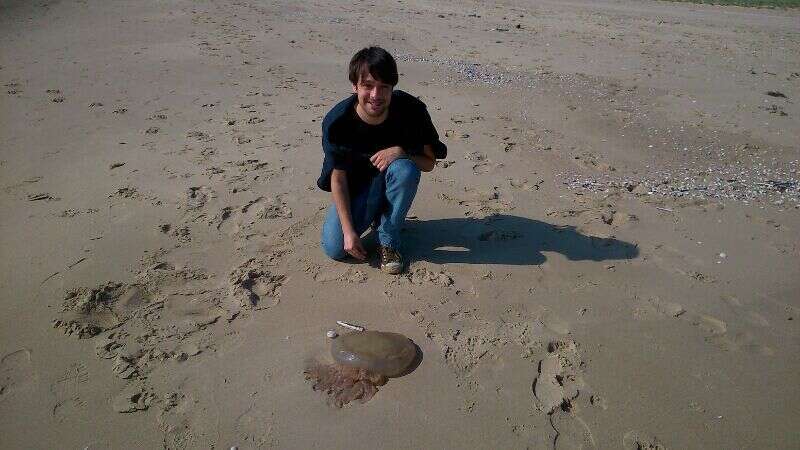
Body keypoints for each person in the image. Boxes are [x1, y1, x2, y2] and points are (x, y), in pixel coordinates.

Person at [317, 46, 447, 274]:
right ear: (354, 86)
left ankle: (388, 241)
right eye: (368, 85)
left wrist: (402, 152)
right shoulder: (338, 123)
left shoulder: (412, 112)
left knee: (406, 169)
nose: (376, 95)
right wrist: (348, 232)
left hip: (395, 182)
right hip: (358, 191)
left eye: (384, 87)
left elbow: (428, 163)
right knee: (335, 248)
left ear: (392, 87)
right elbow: (337, 180)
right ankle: (373, 215)